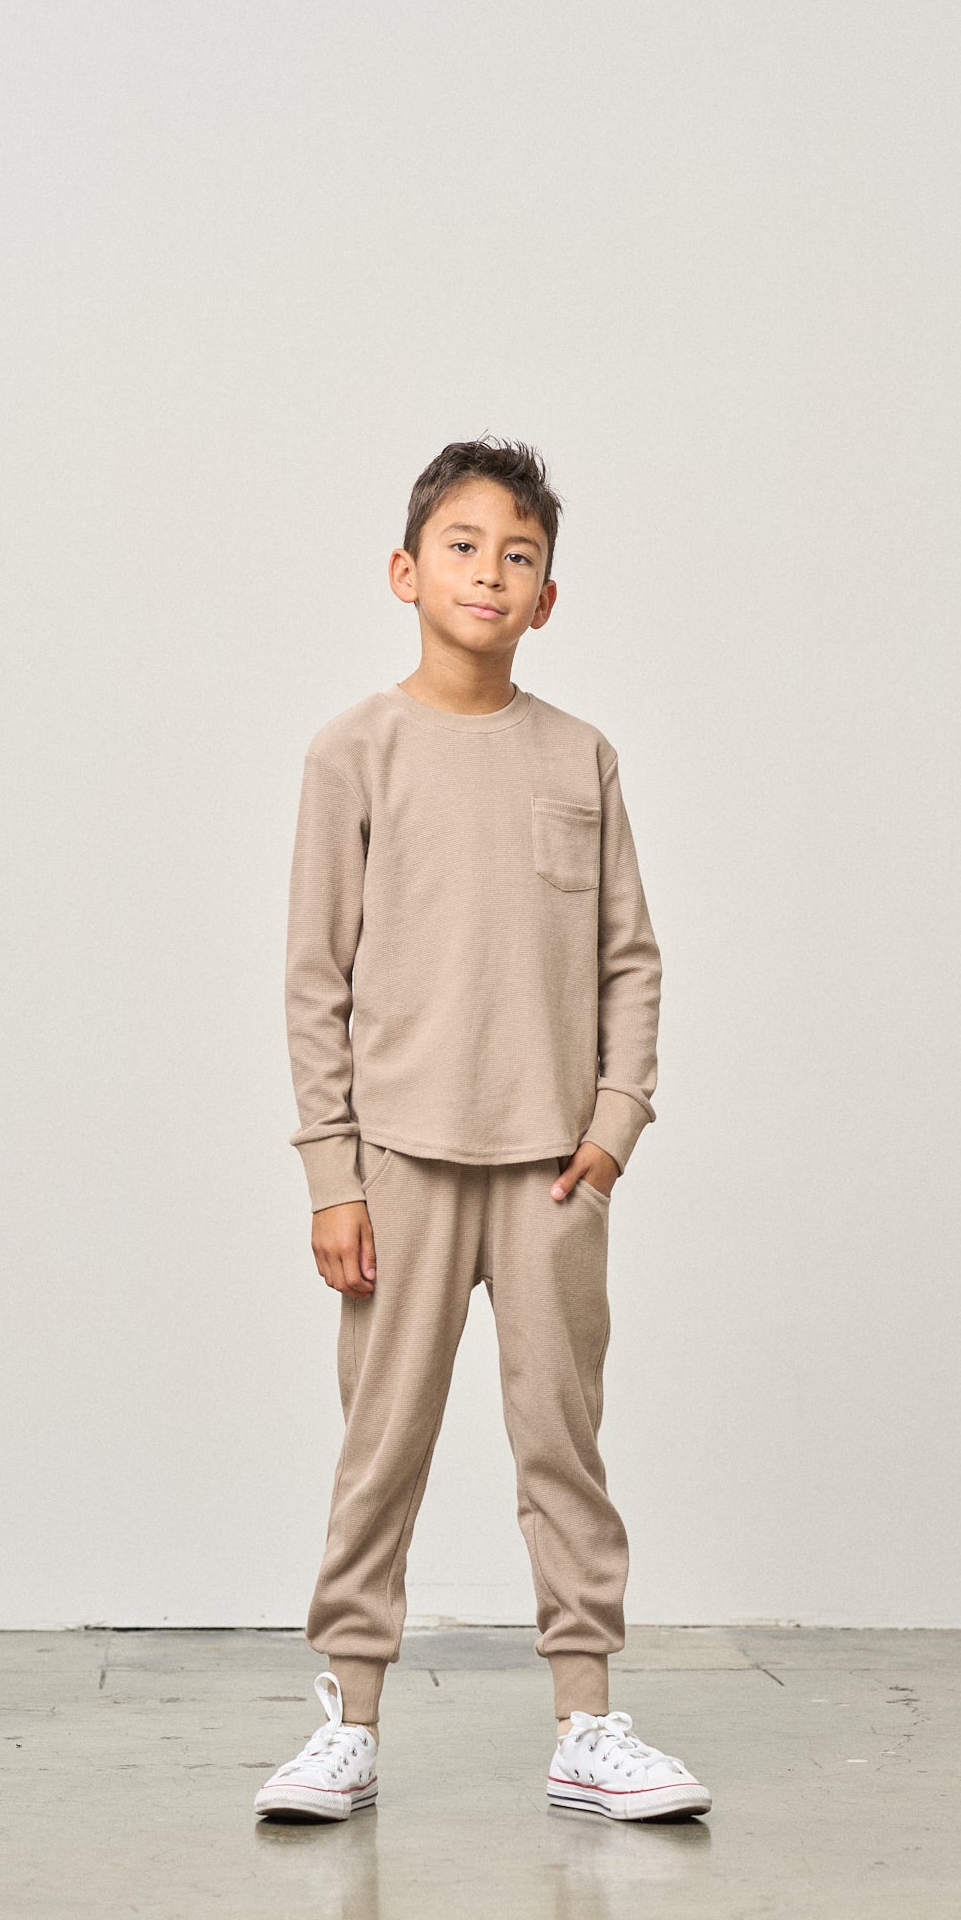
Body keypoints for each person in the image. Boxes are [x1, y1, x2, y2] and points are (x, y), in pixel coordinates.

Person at [254, 436, 712, 1824]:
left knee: (562, 1443)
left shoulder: (581, 757)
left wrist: (615, 1124)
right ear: (405, 572)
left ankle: (586, 1722)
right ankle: (347, 1719)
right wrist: (332, 1177)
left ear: (547, 598)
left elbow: (630, 958)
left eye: (519, 555)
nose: (489, 572)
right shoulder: (353, 753)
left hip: (551, 1173)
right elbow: (314, 978)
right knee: (380, 1446)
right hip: (397, 1164)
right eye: (462, 546)